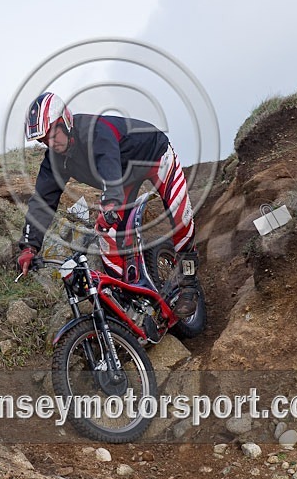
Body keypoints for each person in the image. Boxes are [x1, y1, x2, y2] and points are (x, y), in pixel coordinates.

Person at [16, 92, 199, 318]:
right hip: (123, 177)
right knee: (108, 235)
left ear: (65, 120)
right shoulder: (54, 158)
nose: (50, 143)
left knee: (179, 211)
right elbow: (43, 201)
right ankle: (126, 299)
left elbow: (108, 160)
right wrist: (29, 247)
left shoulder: (94, 130)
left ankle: (189, 284)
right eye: (43, 140)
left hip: (154, 155)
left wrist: (111, 203)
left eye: (53, 133)